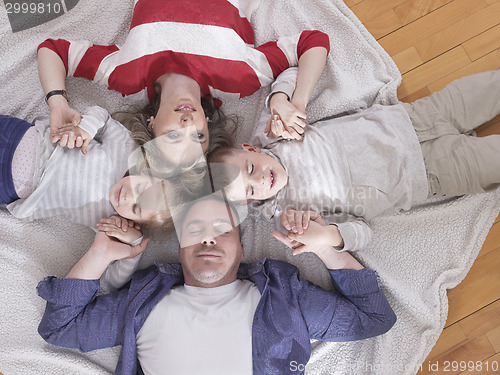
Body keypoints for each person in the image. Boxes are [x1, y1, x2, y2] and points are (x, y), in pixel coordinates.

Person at [37, 194, 397, 375]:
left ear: (242, 249)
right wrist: (100, 253)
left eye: (222, 231)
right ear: (179, 250)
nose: (208, 240)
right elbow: (60, 327)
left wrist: (324, 248)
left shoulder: (283, 297)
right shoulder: (143, 301)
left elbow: (374, 317)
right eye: (195, 231)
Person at [209, 69, 500, 252]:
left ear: (251, 149)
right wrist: (326, 235)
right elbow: (362, 234)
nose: (260, 179)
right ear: (249, 203)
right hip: (429, 174)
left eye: (249, 168)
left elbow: (291, 72)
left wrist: (281, 101)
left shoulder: (271, 133)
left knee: (488, 88)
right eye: (250, 190)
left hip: (413, 119)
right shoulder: (291, 216)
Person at [37, 0, 330, 161]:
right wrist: (298, 102)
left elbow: (53, 51)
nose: (188, 126)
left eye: (174, 136)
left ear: (151, 125)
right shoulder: (239, 79)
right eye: (199, 136)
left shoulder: (125, 76)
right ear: (207, 122)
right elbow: (313, 42)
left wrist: (57, 102)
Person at [1, 106, 173, 232]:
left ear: (135, 221)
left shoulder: (109, 221)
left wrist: (133, 243)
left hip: (12, 185)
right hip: (25, 139)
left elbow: (112, 277)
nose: (129, 197)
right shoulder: (127, 150)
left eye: (136, 208)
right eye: (140, 188)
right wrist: (86, 130)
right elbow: (103, 116)